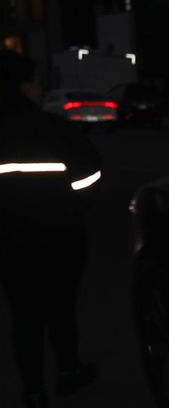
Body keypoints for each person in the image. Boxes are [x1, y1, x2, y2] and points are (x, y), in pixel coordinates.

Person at [0, 51, 100, 407]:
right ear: (24, 86)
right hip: (61, 235)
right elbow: (90, 176)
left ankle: (33, 389)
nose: (40, 88)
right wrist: (71, 205)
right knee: (61, 308)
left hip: (10, 242)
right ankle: (68, 371)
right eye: (36, 82)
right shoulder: (56, 128)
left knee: (24, 316)